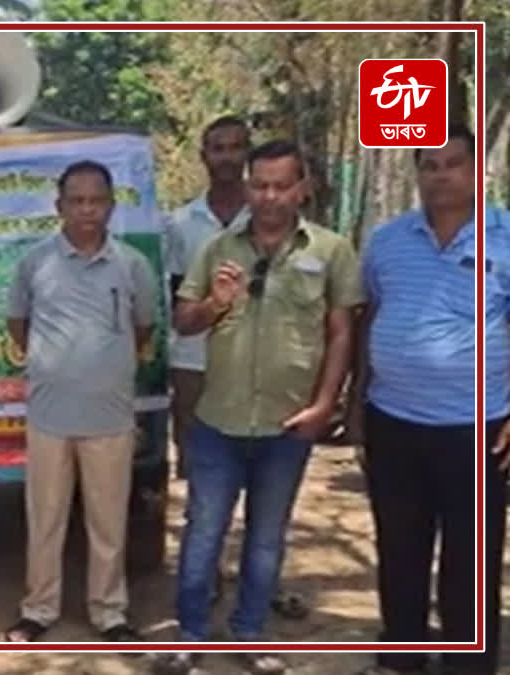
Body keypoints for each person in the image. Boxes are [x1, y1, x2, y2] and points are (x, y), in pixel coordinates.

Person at [155, 140, 362, 675]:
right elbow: (183, 322)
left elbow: (341, 334)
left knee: (267, 538)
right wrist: (215, 304)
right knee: (203, 534)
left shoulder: (332, 251)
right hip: (217, 422)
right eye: (260, 185)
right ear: (248, 187)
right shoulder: (219, 248)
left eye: (280, 185)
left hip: (287, 426)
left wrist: (324, 405)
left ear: (302, 188)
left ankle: (250, 633)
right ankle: (190, 634)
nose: (269, 197)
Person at [351, 123, 506, 675]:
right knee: (401, 550)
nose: (441, 175)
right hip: (393, 422)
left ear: (475, 171)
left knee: (469, 559)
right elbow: (369, 317)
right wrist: (356, 409)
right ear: (418, 175)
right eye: (430, 165)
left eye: (453, 163)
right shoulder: (388, 241)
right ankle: (401, 655)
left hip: (477, 429)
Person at [2, 160, 157, 643]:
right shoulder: (34, 263)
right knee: (44, 520)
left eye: (97, 200)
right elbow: (17, 324)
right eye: (77, 201)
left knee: (108, 522)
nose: (87, 210)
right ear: (60, 206)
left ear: (111, 205)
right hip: (49, 416)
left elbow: (144, 327)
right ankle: (39, 609)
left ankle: (109, 613)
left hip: (109, 417)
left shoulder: (132, 264)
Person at [167, 115, 252, 480]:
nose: (227, 157)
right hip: (193, 363)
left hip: (253, 362)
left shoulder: (266, 218)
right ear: (204, 156)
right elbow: (175, 300)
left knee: (252, 469)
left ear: (247, 153)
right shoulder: (180, 224)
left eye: (235, 148)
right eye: (218, 149)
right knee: (196, 470)